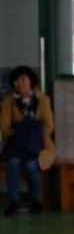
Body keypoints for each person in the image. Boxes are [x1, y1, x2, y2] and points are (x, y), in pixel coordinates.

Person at [1, 66, 55, 216]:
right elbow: (4, 127)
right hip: (15, 146)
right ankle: (14, 202)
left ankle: (35, 201)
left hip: (38, 146)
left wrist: (34, 136)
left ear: (31, 81)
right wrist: (20, 133)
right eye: (17, 80)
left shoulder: (42, 100)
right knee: (13, 164)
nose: (20, 83)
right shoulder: (8, 102)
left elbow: (49, 125)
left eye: (23, 79)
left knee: (32, 166)